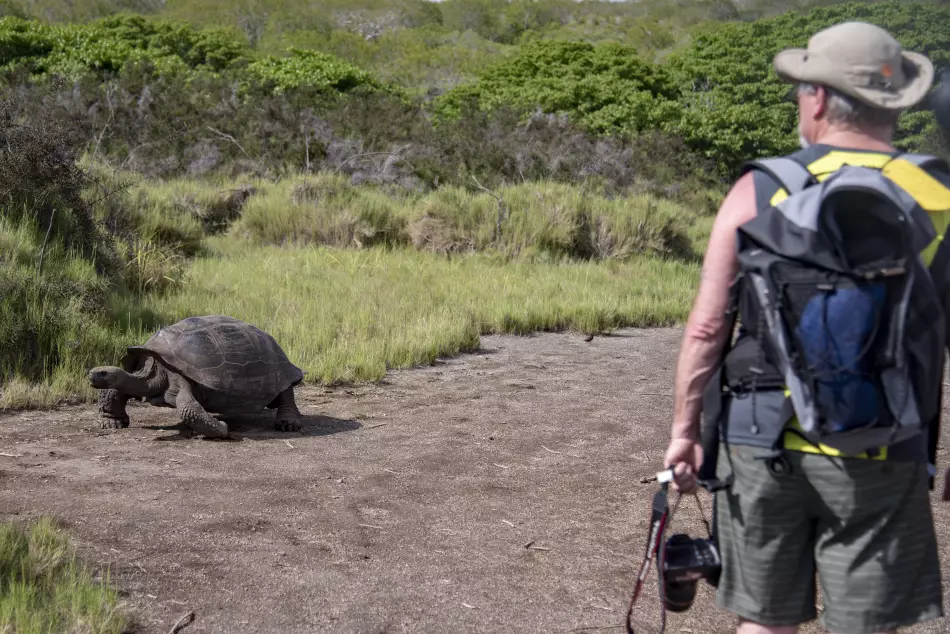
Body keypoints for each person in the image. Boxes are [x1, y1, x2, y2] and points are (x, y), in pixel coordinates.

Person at [664, 21, 950, 634]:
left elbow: (707, 327)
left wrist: (685, 433)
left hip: (760, 439)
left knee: (765, 624)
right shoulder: (938, 192)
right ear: (894, 102)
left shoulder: (760, 188)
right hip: (884, 443)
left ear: (818, 99)